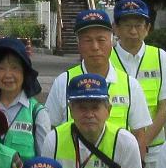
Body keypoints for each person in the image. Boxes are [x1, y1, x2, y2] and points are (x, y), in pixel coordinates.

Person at [43, 8, 143, 144]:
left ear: (112, 41)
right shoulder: (63, 82)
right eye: (87, 40)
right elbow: (50, 128)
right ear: (78, 43)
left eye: (101, 40)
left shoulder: (130, 85)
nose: (95, 47)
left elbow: (139, 134)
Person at [109, 0, 166, 147]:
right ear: (115, 28)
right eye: (127, 25)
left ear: (148, 28)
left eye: (138, 25)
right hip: (112, 148)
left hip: (153, 149)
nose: (133, 31)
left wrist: (142, 143)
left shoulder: (160, 57)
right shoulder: (106, 58)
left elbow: (165, 106)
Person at [0, 36, 45, 161]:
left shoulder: (37, 113)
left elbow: (44, 160)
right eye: (1, 68)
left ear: (24, 72)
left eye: (15, 67)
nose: (8, 75)